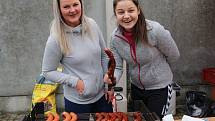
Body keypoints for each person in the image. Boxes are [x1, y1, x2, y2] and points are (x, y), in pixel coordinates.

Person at [109, 0, 180, 119]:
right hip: (136, 87)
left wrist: (158, 72)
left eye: (130, 10)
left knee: (154, 119)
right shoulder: (115, 38)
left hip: (159, 88)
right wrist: (112, 79)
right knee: (139, 118)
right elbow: (118, 66)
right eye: (121, 12)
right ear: (115, 14)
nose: (126, 16)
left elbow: (174, 55)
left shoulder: (154, 30)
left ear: (138, 10)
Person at [42, 0, 113, 113]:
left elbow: (104, 56)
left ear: (81, 4)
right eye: (66, 7)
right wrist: (74, 81)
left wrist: (108, 87)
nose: (72, 10)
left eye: (75, 4)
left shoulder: (92, 24)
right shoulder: (55, 38)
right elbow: (47, 71)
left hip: (102, 97)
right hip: (77, 103)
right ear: (59, 10)